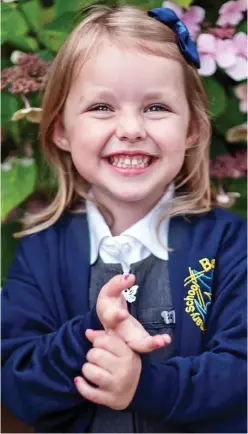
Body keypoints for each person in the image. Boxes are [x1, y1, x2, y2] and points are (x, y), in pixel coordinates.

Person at [1, 5, 246, 434]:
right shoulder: (42, 250)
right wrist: (88, 337)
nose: (131, 128)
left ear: (191, 127)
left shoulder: (229, 244)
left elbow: (241, 372)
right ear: (61, 129)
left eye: (155, 107)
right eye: (101, 107)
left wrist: (145, 385)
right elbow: (16, 382)